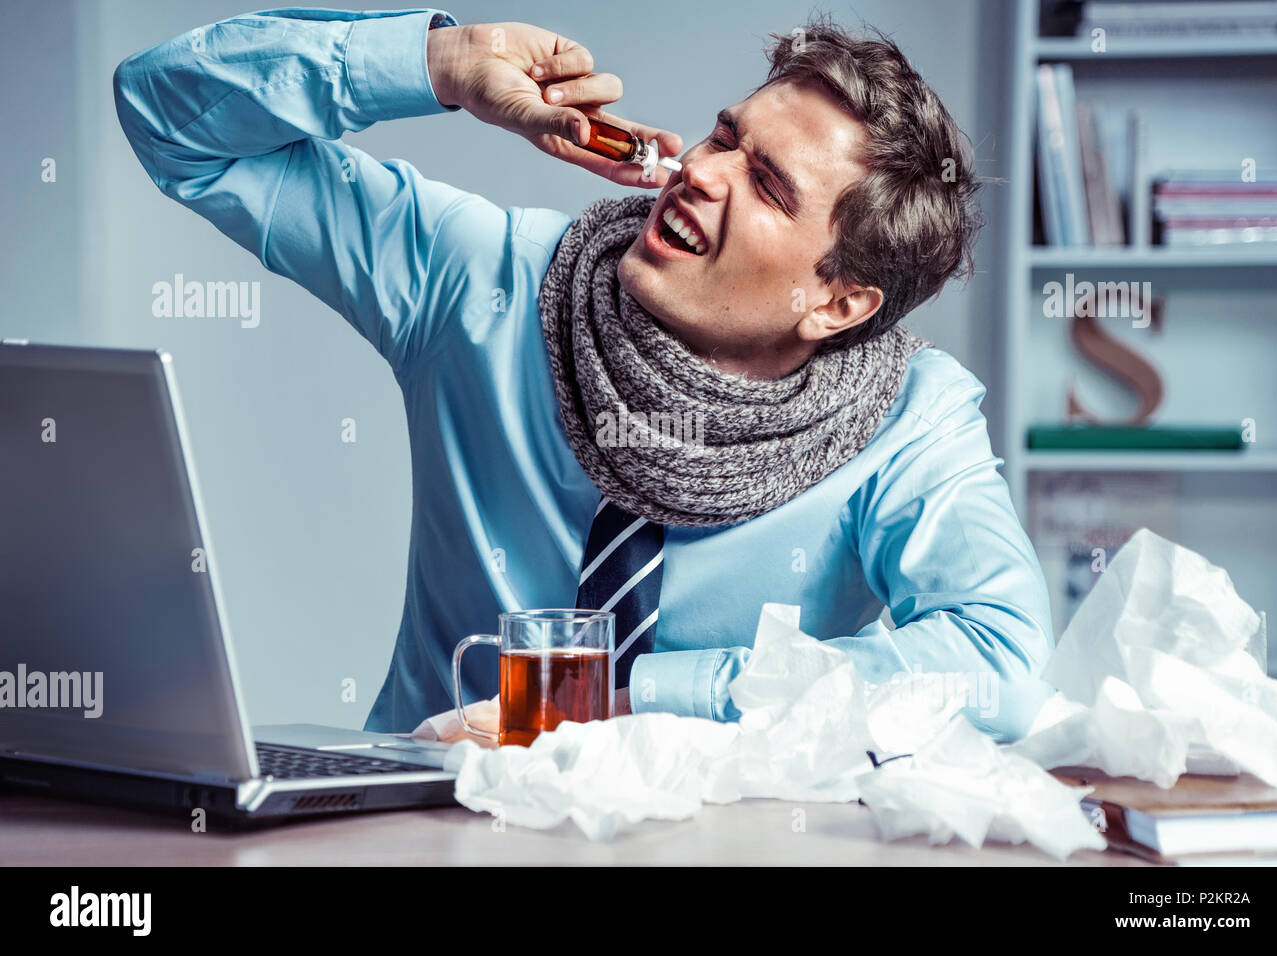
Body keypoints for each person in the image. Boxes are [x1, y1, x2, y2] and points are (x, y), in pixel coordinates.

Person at [114, 7, 1057, 746]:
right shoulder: (480, 278)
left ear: (839, 303)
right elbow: (169, 119)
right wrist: (436, 64)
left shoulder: (909, 424)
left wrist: (608, 700)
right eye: (725, 135)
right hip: (424, 827)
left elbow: (998, 670)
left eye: (767, 185)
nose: (703, 170)